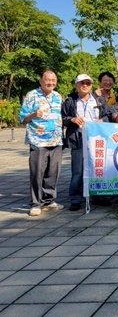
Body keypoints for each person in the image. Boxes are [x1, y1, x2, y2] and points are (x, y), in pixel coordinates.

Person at [62, 74, 111, 211]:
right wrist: (72, 119)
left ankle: (98, 196)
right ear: (76, 85)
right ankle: (75, 199)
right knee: (78, 170)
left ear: (91, 85)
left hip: (96, 138)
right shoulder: (70, 101)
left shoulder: (99, 100)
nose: (85, 85)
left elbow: (107, 115)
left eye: (88, 83)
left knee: (98, 168)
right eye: (81, 83)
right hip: (77, 137)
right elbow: (62, 118)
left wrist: (101, 122)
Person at [19, 69, 64, 216]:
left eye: (53, 81)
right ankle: (36, 203)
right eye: (47, 81)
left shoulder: (58, 96)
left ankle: (49, 200)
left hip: (56, 140)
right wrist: (34, 114)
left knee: (53, 172)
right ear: (41, 81)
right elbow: (22, 119)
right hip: (38, 140)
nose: (50, 83)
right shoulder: (31, 95)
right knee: (37, 172)